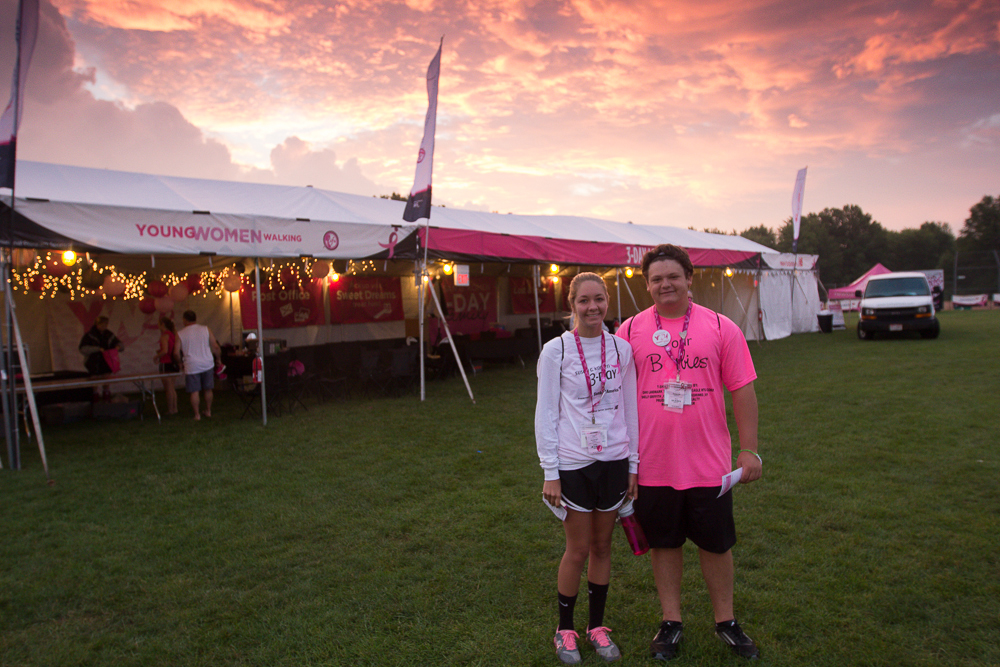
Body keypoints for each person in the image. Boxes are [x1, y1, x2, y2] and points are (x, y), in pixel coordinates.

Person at [616, 244, 763, 661]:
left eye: (672, 276)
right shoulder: (629, 331)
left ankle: (726, 621)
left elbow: (743, 389)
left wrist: (749, 449)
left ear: (688, 279)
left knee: (716, 544)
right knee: (664, 543)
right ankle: (671, 622)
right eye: (657, 279)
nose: (665, 284)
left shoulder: (720, 326)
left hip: (708, 464)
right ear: (647, 285)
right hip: (652, 462)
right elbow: (613, 394)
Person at [535, 272, 639, 664]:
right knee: (577, 549)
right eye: (584, 300)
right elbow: (546, 413)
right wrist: (550, 471)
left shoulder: (622, 349)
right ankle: (565, 630)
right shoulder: (556, 351)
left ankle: (597, 626)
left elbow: (630, 409)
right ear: (572, 304)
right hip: (573, 463)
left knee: (602, 546)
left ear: (607, 301)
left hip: (613, 461)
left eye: (599, 299)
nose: (592, 307)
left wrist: (633, 464)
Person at [176, 310, 221, 420]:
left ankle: (197, 415)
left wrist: (179, 363)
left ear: (184, 320)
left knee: (194, 391)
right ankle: (208, 410)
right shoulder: (206, 329)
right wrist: (219, 359)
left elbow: (176, 352)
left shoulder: (180, 333)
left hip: (191, 365)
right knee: (208, 389)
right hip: (207, 363)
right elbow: (215, 346)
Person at [78, 315, 124, 401]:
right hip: (93, 362)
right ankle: (95, 398)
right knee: (94, 381)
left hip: (106, 362)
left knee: (106, 380)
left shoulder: (109, 335)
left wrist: (118, 346)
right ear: (97, 324)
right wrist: (97, 349)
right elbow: (82, 349)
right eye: (102, 325)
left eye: (105, 325)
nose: (104, 327)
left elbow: (119, 344)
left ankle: (106, 397)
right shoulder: (89, 335)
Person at [153, 317, 180, 416]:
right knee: (172, 387)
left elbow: (165, 350)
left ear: (162, 324)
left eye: (159, 324)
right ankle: (174, 408)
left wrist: (156, 356)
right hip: (173, 363)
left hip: (166, 363)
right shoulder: (173, 335)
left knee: (168, 388)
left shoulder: (164, 336)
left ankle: (170, 409)